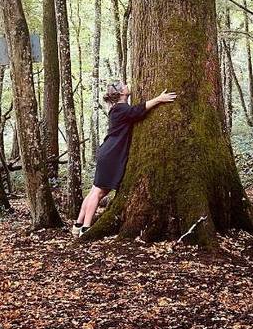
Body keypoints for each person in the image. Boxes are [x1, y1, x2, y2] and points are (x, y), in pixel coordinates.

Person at [72, 81, 176, 237]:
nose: (128, 85)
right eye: (124, 85)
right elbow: (138, 110)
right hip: (111, 154)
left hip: (108, 152)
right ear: (121, 93)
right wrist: (159, 99)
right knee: (98, 192)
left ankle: (78, 225)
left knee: (96, 190)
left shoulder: (117, 109)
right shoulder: (121, 109)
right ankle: (86, 228)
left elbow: (135, 111)